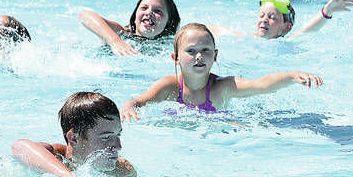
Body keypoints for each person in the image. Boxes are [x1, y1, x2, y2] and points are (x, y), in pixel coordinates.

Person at [121, 23, 323, 121]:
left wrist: (291, 76)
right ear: (175, 58)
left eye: (205, 51)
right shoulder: (169, 87)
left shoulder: (223, 87)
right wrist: (128, 107)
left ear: (215, 56)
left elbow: (262, 85)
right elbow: (138, 102)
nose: (199, 56)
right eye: (191, 51)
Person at [12, 92, 136, 177]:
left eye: (117, 135)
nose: (118, 146)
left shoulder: (122, 170)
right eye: (106, 137)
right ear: (74, 138)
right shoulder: (56, 156)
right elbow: (19, 147)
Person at [208, 0, 353, 40]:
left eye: (272, 17)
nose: (264, 20)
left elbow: (307, 31)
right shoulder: (244, 38)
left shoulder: (285, 44)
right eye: (262, 15)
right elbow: (217, 30)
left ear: (286, 27)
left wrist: (327, 11)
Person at [79, 0, 180, 56]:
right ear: (135, 15)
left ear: (169, 21)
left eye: (158, 11)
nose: (149, 13)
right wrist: (114, 41)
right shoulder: (122, 34)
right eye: (144, 8)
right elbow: (85, 15)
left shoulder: (172, 44)